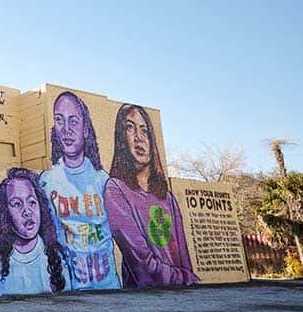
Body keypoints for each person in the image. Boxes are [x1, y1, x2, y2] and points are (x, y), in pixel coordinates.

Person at [104, 104, 198, 288]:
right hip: (144, 300)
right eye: (130, 128)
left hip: (181, 298)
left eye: (144, 130)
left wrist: (189, 281)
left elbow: (185, 260)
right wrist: (185, 278)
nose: (139, 138)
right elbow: (143, 266)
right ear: (121, 138)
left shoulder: (167, 198)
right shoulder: (115, 190)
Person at [38, 92, 120, 290]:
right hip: (70, 291)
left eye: (73, 121)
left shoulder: (103, 181)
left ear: (85, 129)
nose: (66, 129)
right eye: (59, 120)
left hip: (109, 288)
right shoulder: (46, 182)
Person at [0, 168, 68, 296]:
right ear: (5, 213)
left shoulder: (55, 257)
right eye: (17, 204)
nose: (27, 211)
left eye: (32, 202)